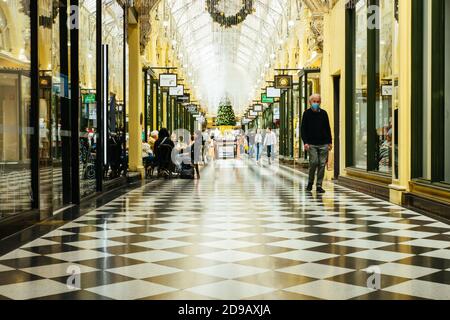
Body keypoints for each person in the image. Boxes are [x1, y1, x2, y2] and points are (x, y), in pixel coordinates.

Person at [301, 93, 332, 194]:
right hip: (312, 144)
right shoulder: (306, 114)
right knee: (313, 162)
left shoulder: (324, 113)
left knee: (322, 164)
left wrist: (329, 142)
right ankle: (310, 182)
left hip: (323, 143)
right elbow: (303, 129)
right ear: (310, 102)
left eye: (318, 101)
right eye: (314, 101)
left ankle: (319, 185)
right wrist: (305, 142)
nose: (316, 103)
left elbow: (327, 128)